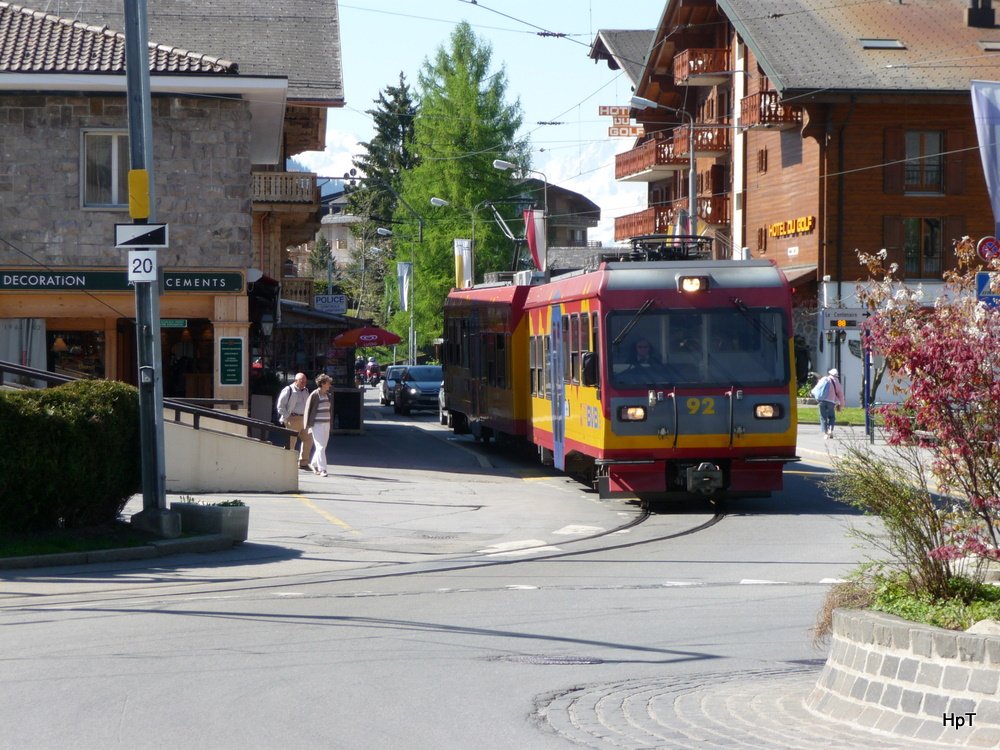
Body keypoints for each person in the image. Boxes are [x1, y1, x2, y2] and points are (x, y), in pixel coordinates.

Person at [276, 372, 314, 470]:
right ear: (296, 381)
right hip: (292, 418)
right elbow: (280, 406)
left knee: (308, 439)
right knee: (291, 442)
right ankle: (288, 463)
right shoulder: (288, 390)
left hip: (304, 419)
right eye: (302, 382)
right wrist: (286, 416)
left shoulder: (306, 391)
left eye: (305, 382)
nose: (303, 384)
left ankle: (303, 463)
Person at [305, 373, 334, 477]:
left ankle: (313, 464)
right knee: (320, 447)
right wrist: (307, 425)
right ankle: (323, 469)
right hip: (316, 424)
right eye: (328, 383)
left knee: (322, 447)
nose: (329, 385)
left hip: (326, 424)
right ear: (322, 384)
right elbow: (308, 409)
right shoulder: (314, 394)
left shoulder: (328, 395)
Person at [811, 367, 845, 439]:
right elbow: (841, 396)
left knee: (823, 417)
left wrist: (813, 393)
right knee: (832, 417)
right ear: (837, 375)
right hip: (831, 402)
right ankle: (830, 429)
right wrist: (841, 405)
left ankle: (826, 433)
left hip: (822, 401)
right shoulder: (837, 383)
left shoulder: (824, 379)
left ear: (830, 373)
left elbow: (817, 388)